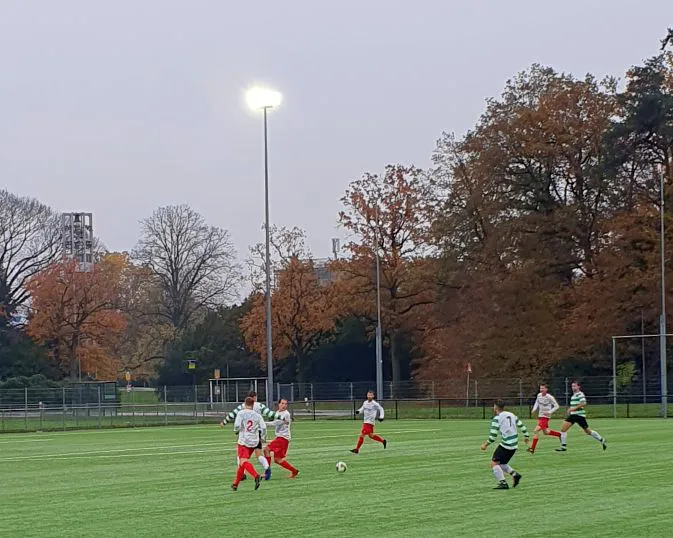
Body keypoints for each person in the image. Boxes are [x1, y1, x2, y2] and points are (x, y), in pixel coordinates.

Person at [220, 391, 281, 480]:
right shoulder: (259, 406)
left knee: (241, 456)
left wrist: (224, 422)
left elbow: (232, 414)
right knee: (259, 454)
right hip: (256, 435)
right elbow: (271, 414)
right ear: (255, 397)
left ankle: (242, 474)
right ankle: (267, 468)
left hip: (245, 436)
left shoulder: (242, 407)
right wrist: (282, 418)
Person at [481, 400, 529, 490]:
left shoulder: (497, 418)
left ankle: (503, 483)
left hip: (506, 445)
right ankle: (515, 475)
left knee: (494, 463)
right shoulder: (512, 415)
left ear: (495, 407)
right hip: (514, 445)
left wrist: (485, 444)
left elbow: (493, 436)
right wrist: (526, 436)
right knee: (502, 463)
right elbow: (522, 426)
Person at [556, 380, 607, 452]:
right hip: (575, 415)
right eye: (572, 386)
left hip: (578, 415)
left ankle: (563, 447)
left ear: (578, 387)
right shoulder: (574, 395)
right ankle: (601, 439)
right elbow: (575, 405)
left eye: (574, 386)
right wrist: (570, 410)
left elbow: (583, 403)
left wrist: (573, 409)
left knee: (564, 429)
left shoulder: (580, 394)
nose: (573, 387)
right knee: (587, 431)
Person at [231, 397, 266, 491]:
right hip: (254, 441)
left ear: (245, 404)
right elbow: (263, 427)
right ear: (253, 405)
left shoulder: (241, 413)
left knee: (243, 461)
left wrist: (236, 430)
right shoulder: (257, 415)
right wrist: (263, 437)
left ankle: (256, 476)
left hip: (244, 441)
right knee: (243, 463)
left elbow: (237, 425)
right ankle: (235, 484)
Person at [264, 398, 299, 479]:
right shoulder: (278, 412)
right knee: (277, 459)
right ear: (278, 404)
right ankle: (294, 471)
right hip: (282, 438)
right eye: (282, 403)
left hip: (283, 438)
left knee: (266, 450)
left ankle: (267, 473)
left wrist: (262, 423)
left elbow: (275, 423)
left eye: (285, 404)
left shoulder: (286, 414)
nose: (284, 405)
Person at [527, 383, 562, 454]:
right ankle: (559, 435)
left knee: (536, 430)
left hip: (545, 417)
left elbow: (557, 406)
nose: (541, 390)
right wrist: (534, 409)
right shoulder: (539, 395)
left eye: (543, 388)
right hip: (540, 416)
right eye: (540, 388)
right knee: (546, 432)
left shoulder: (549, 397)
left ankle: (532, 448)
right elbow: (537, 403)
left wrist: (549, 412)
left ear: (546, 389)